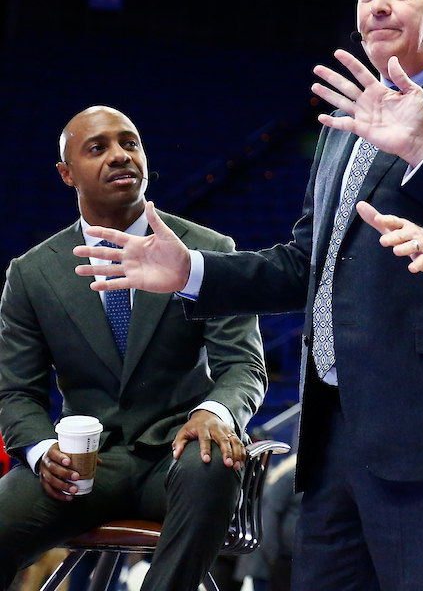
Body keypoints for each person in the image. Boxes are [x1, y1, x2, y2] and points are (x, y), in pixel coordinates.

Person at [74, 0, 423, 590]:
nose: (378, 5)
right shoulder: (347, 126)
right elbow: (302, 265)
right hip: (336, 430)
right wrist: (192, 272)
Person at [0, 106, 267, 591]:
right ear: (67, 174)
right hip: (83, 466)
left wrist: (215, 412)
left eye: (130, 143)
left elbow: (243, 366)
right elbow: (16, 391)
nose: (120, 156)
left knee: (212, 462)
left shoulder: (208, 251)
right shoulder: (31, 273)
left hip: (179, 456)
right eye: (98, 148)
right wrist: (42, 452)